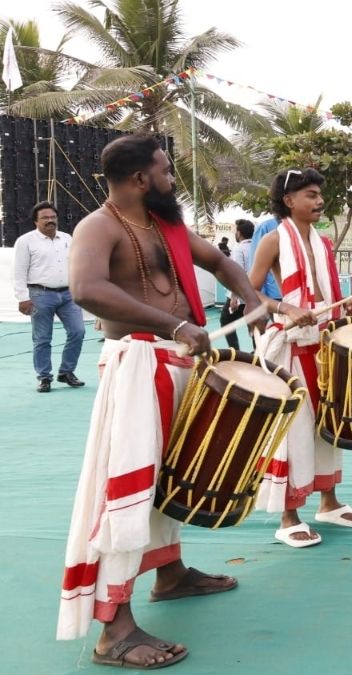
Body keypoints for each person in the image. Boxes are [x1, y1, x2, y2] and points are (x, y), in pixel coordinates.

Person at [58, 134, 264, 669]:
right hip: (136, 369)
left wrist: (253, 296)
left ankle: (169, 575)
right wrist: (174, 323)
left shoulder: (166, 225)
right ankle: (114, 630)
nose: (173, 180)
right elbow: (86, 289)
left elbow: (219, 262)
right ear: (139, 179)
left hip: (176, 365)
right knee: (128, 491)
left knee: (166, 478)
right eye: (166, 171)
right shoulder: (97, 226)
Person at [248, 168, 352, 547]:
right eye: (311, 195)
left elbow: (322, 291)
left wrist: (347, 304)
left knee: (327, 423)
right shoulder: (270, 239)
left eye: (319, 195)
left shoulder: (323, 242)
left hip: (325, 342)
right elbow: (249, 297)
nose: (319, 201)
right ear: (289, 201)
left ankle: (328, 502)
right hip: (290, 345)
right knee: (294, 431)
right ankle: (288, 515)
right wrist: (285, 307)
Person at [13, 201, 86, 392]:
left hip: (68, 294)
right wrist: (22, 298)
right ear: (36, 221)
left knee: (78, 332)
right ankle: (44, 377)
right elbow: (19, 272)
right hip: (39, 294)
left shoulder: (67, 239)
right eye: (45, 218)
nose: (50, 220)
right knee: (42, 338)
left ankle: (67, 372)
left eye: (53, 217)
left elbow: (76, 265)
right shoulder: (25, 241)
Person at [218, 219, 255, 349]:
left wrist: (233, 296)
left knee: (226, 321)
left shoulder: (239, 249)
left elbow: (238, 273)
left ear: (239, 233)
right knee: (253, 323)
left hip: (240, 294)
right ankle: (258, 352)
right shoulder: (258, 246)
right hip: (256, 293)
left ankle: (235, 352)